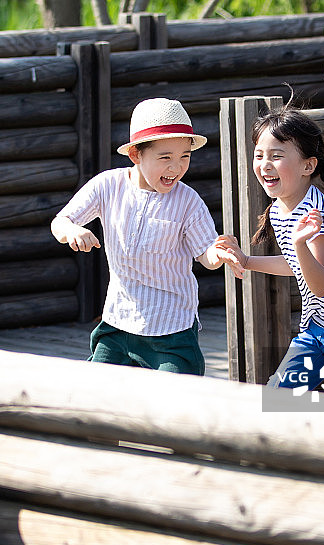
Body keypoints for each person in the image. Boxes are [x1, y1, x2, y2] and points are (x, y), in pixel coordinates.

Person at [218, 99, 324, 399]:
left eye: (276, 156)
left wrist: (300, 244)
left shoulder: (318, 214)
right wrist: (246, 260)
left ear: (308, 166)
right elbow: (296, 265)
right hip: (318, 328)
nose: (265, 164)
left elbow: (320, 284)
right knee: (278, 398)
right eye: (259, 155)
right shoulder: (279, 209)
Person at [51, 97, 238, 375]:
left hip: (171, 328)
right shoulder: (108, 185)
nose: (176, 167)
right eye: (165, 157)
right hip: (118, 320)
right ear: (136, 155)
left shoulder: (188, 201)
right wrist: (73, 230)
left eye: (185, 157)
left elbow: (206, 255)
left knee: (179, 396)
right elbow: (60, 222)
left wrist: (219, 252)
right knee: (95, 389)